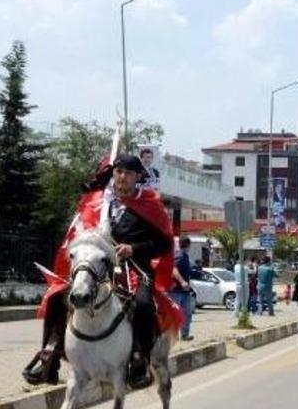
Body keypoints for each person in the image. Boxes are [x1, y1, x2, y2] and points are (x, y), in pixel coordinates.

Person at [22, 154, 180, 390]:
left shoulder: (150, 205)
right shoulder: (100, 200)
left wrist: (133, 248)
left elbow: (164, 244)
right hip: (98, 264)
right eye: (118, 172)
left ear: (138, 176)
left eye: (128, 173)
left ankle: (139, 358)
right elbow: (84, 220)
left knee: (143, 304)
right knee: (57, 296)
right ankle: (49, 357)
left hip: (134, 267)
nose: (122, 177)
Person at [171, 237, 195, 341]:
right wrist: (182, 281)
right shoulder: (179, 256)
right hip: (176, 291)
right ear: (188, 245)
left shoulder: (185, 256)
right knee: (175, 314)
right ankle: (172, 336)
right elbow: (174, 269)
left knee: (187, 313)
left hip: (185, 292)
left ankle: (185, 335)